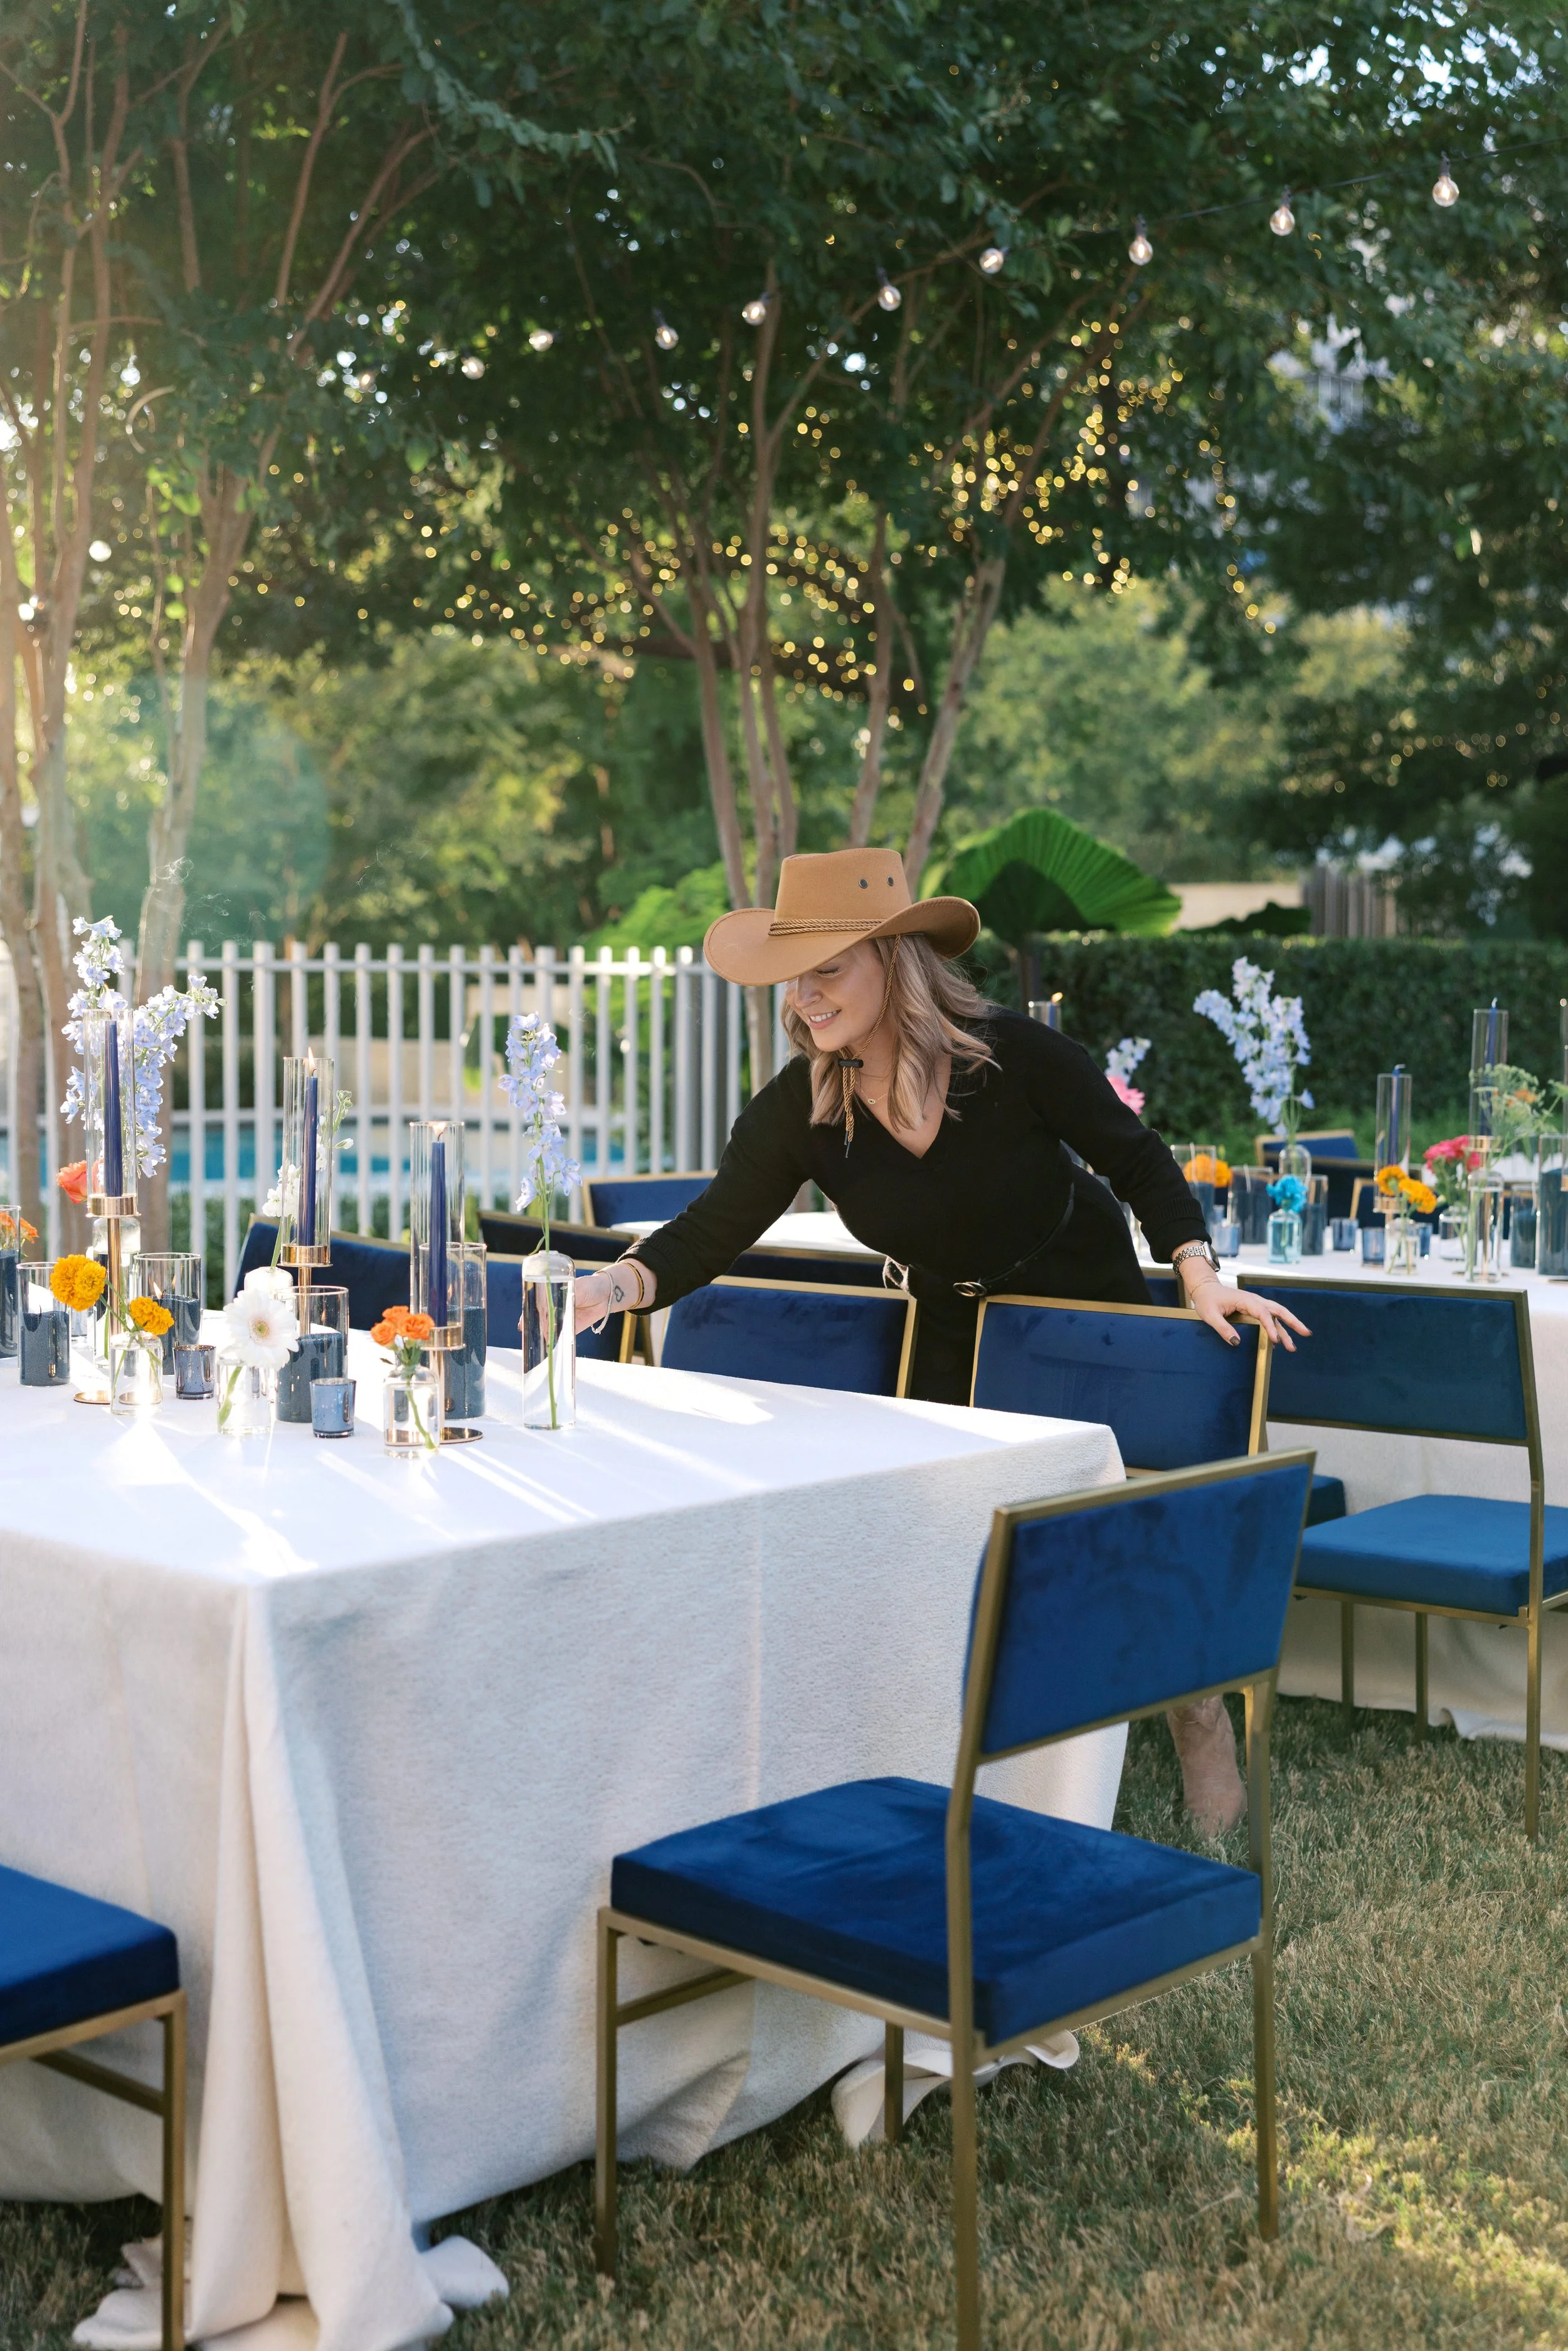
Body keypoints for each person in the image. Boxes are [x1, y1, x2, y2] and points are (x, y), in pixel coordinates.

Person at [576, 848, 1309, 1827]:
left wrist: (1196, 1271)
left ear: (897, 962)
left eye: (828, 968)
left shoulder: (1014, 1056)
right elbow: (715, 1226)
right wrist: (615, 1285)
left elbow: (1136, 1160)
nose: (805, 995)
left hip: (1083, 1313)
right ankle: (981, 1765)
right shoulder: (804, 1103)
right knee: (952, 1540)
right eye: (797, 974)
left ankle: (1197, 1723)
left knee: (1121, 1542)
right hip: (952, 1329)